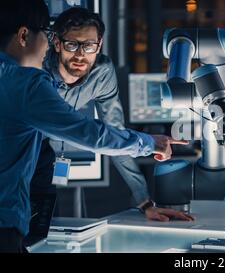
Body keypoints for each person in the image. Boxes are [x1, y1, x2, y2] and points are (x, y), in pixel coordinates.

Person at [0, 0, 189, 253]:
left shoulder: (101, 73)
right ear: (55, 42)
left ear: (98, 46)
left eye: (89, 46)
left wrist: (145, 201)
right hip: (23, 181)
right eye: (70, 44)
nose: (80, 54)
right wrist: (148, 143)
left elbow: (113, 130)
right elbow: (90, 134)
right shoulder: (29, 79)